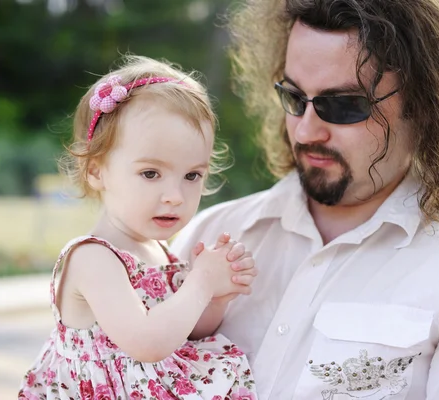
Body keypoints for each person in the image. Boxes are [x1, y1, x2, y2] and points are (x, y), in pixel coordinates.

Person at [171, 0, 439, 399]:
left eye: (343, 106)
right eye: (294, 98)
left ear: (423, 105)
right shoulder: (211, 233)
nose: (305, 132)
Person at [18, 55, 259, 400]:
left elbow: (184, 331)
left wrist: (217, 297)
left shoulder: (157, 251)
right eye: (151, 174)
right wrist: (201, 282)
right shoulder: (93, 258)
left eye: (192, 175)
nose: (175, 196)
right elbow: (147, 342)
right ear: (96, 170)